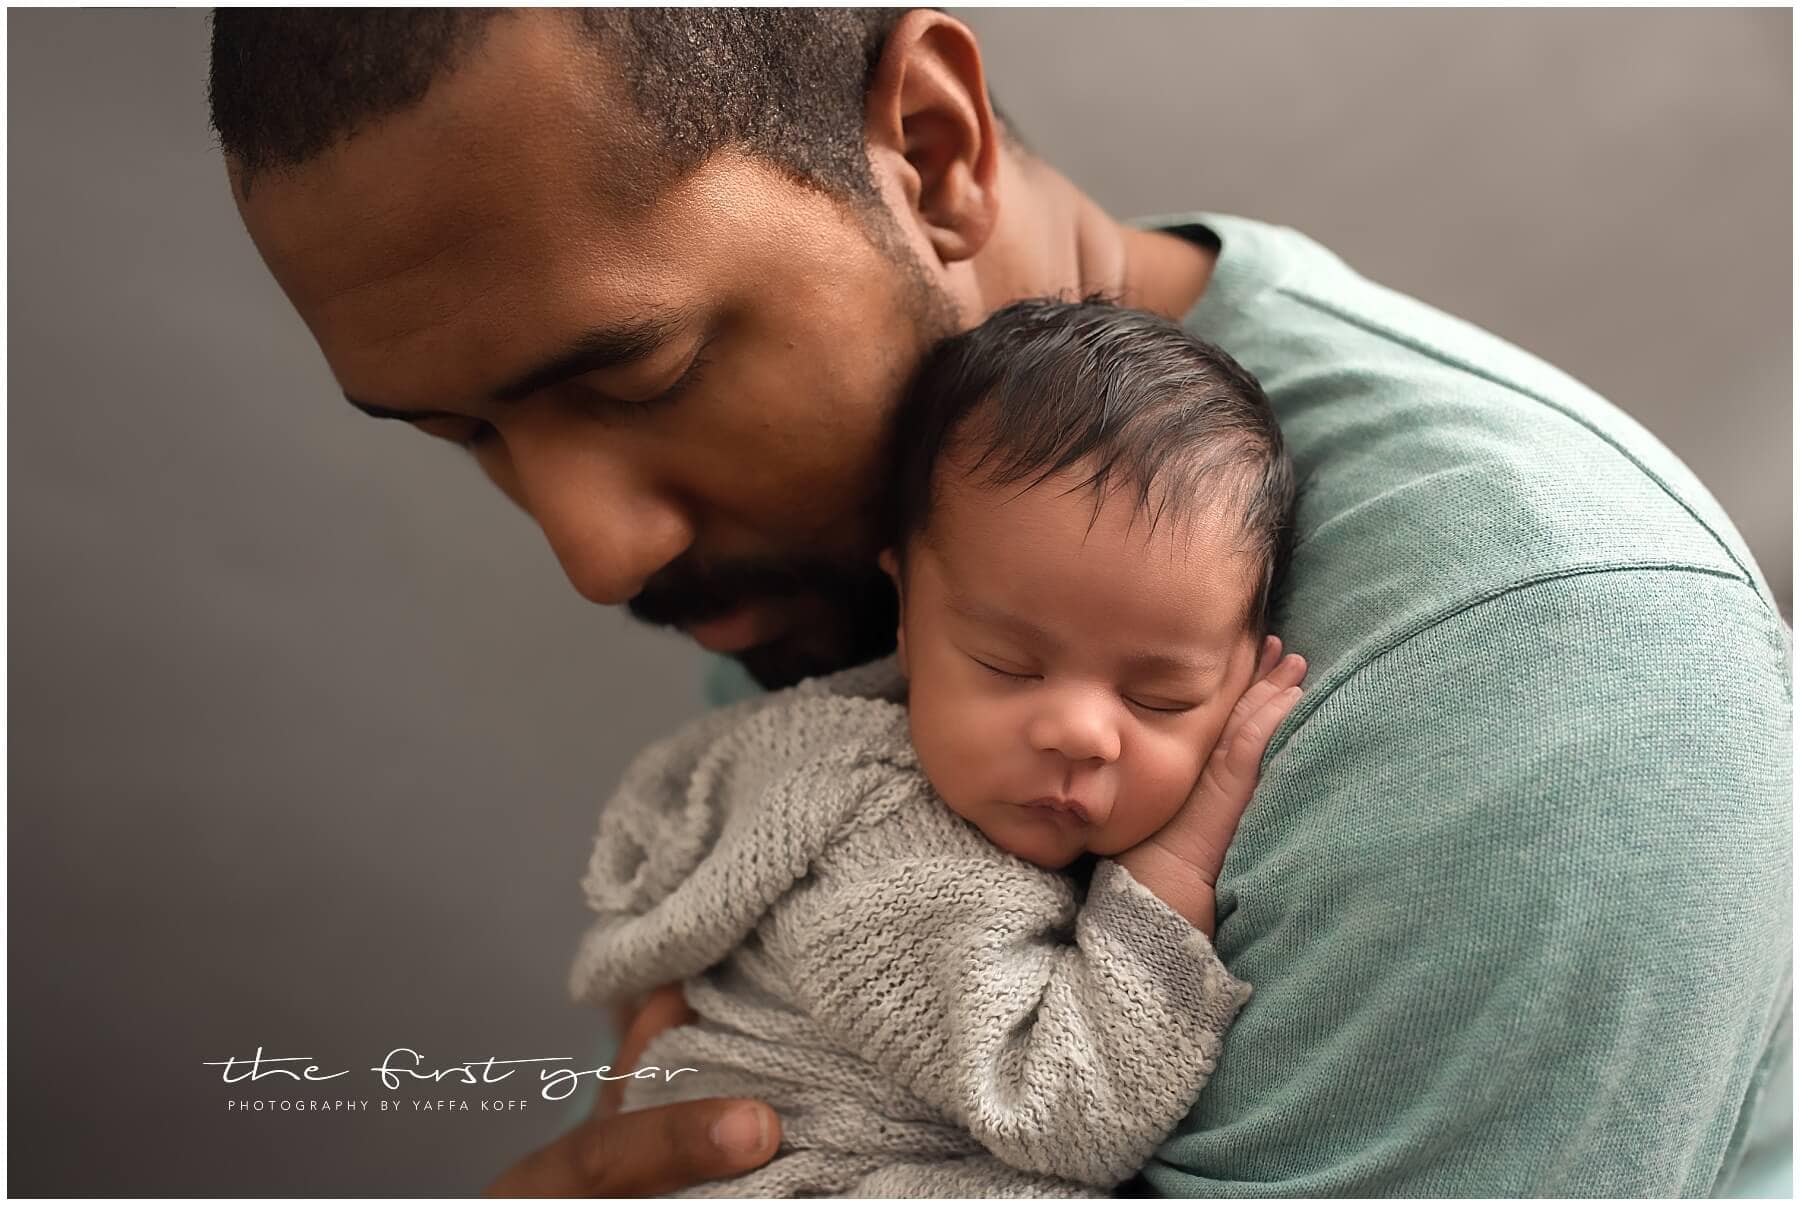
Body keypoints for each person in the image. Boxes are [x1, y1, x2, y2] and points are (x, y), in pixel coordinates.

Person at [207, 8, 1791, 1197]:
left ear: (934, 148)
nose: (595, 554)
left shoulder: (1530, 660)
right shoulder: (870, 580)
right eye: (466, 433)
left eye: (646, 374)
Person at [567, 299, 1306, 1196]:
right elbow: (1069, 1111)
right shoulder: (878, 856)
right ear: (908, 621)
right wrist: (1179, 865)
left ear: (1241, 676)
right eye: (1006, 664)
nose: (1079, 732)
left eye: (1162, 695)